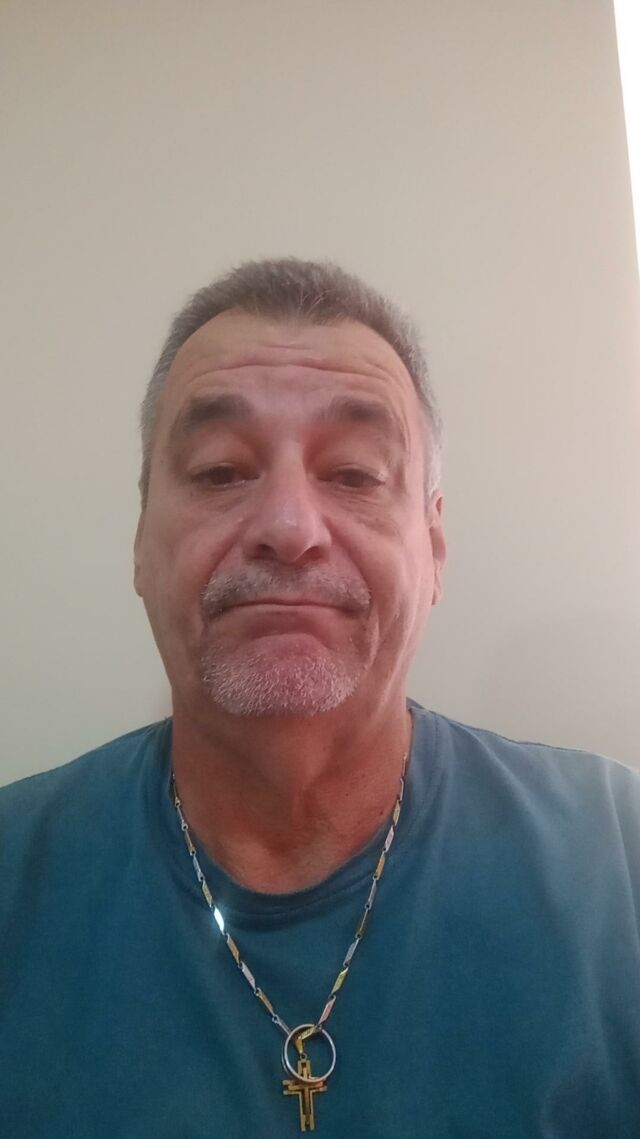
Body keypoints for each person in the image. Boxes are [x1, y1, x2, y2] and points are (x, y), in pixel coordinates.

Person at [1, 258, 639, 1138]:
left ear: (434, 547)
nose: (290, 528)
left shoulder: (618, 860)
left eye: (355, 474)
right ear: (141, 543)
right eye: (220, 471)